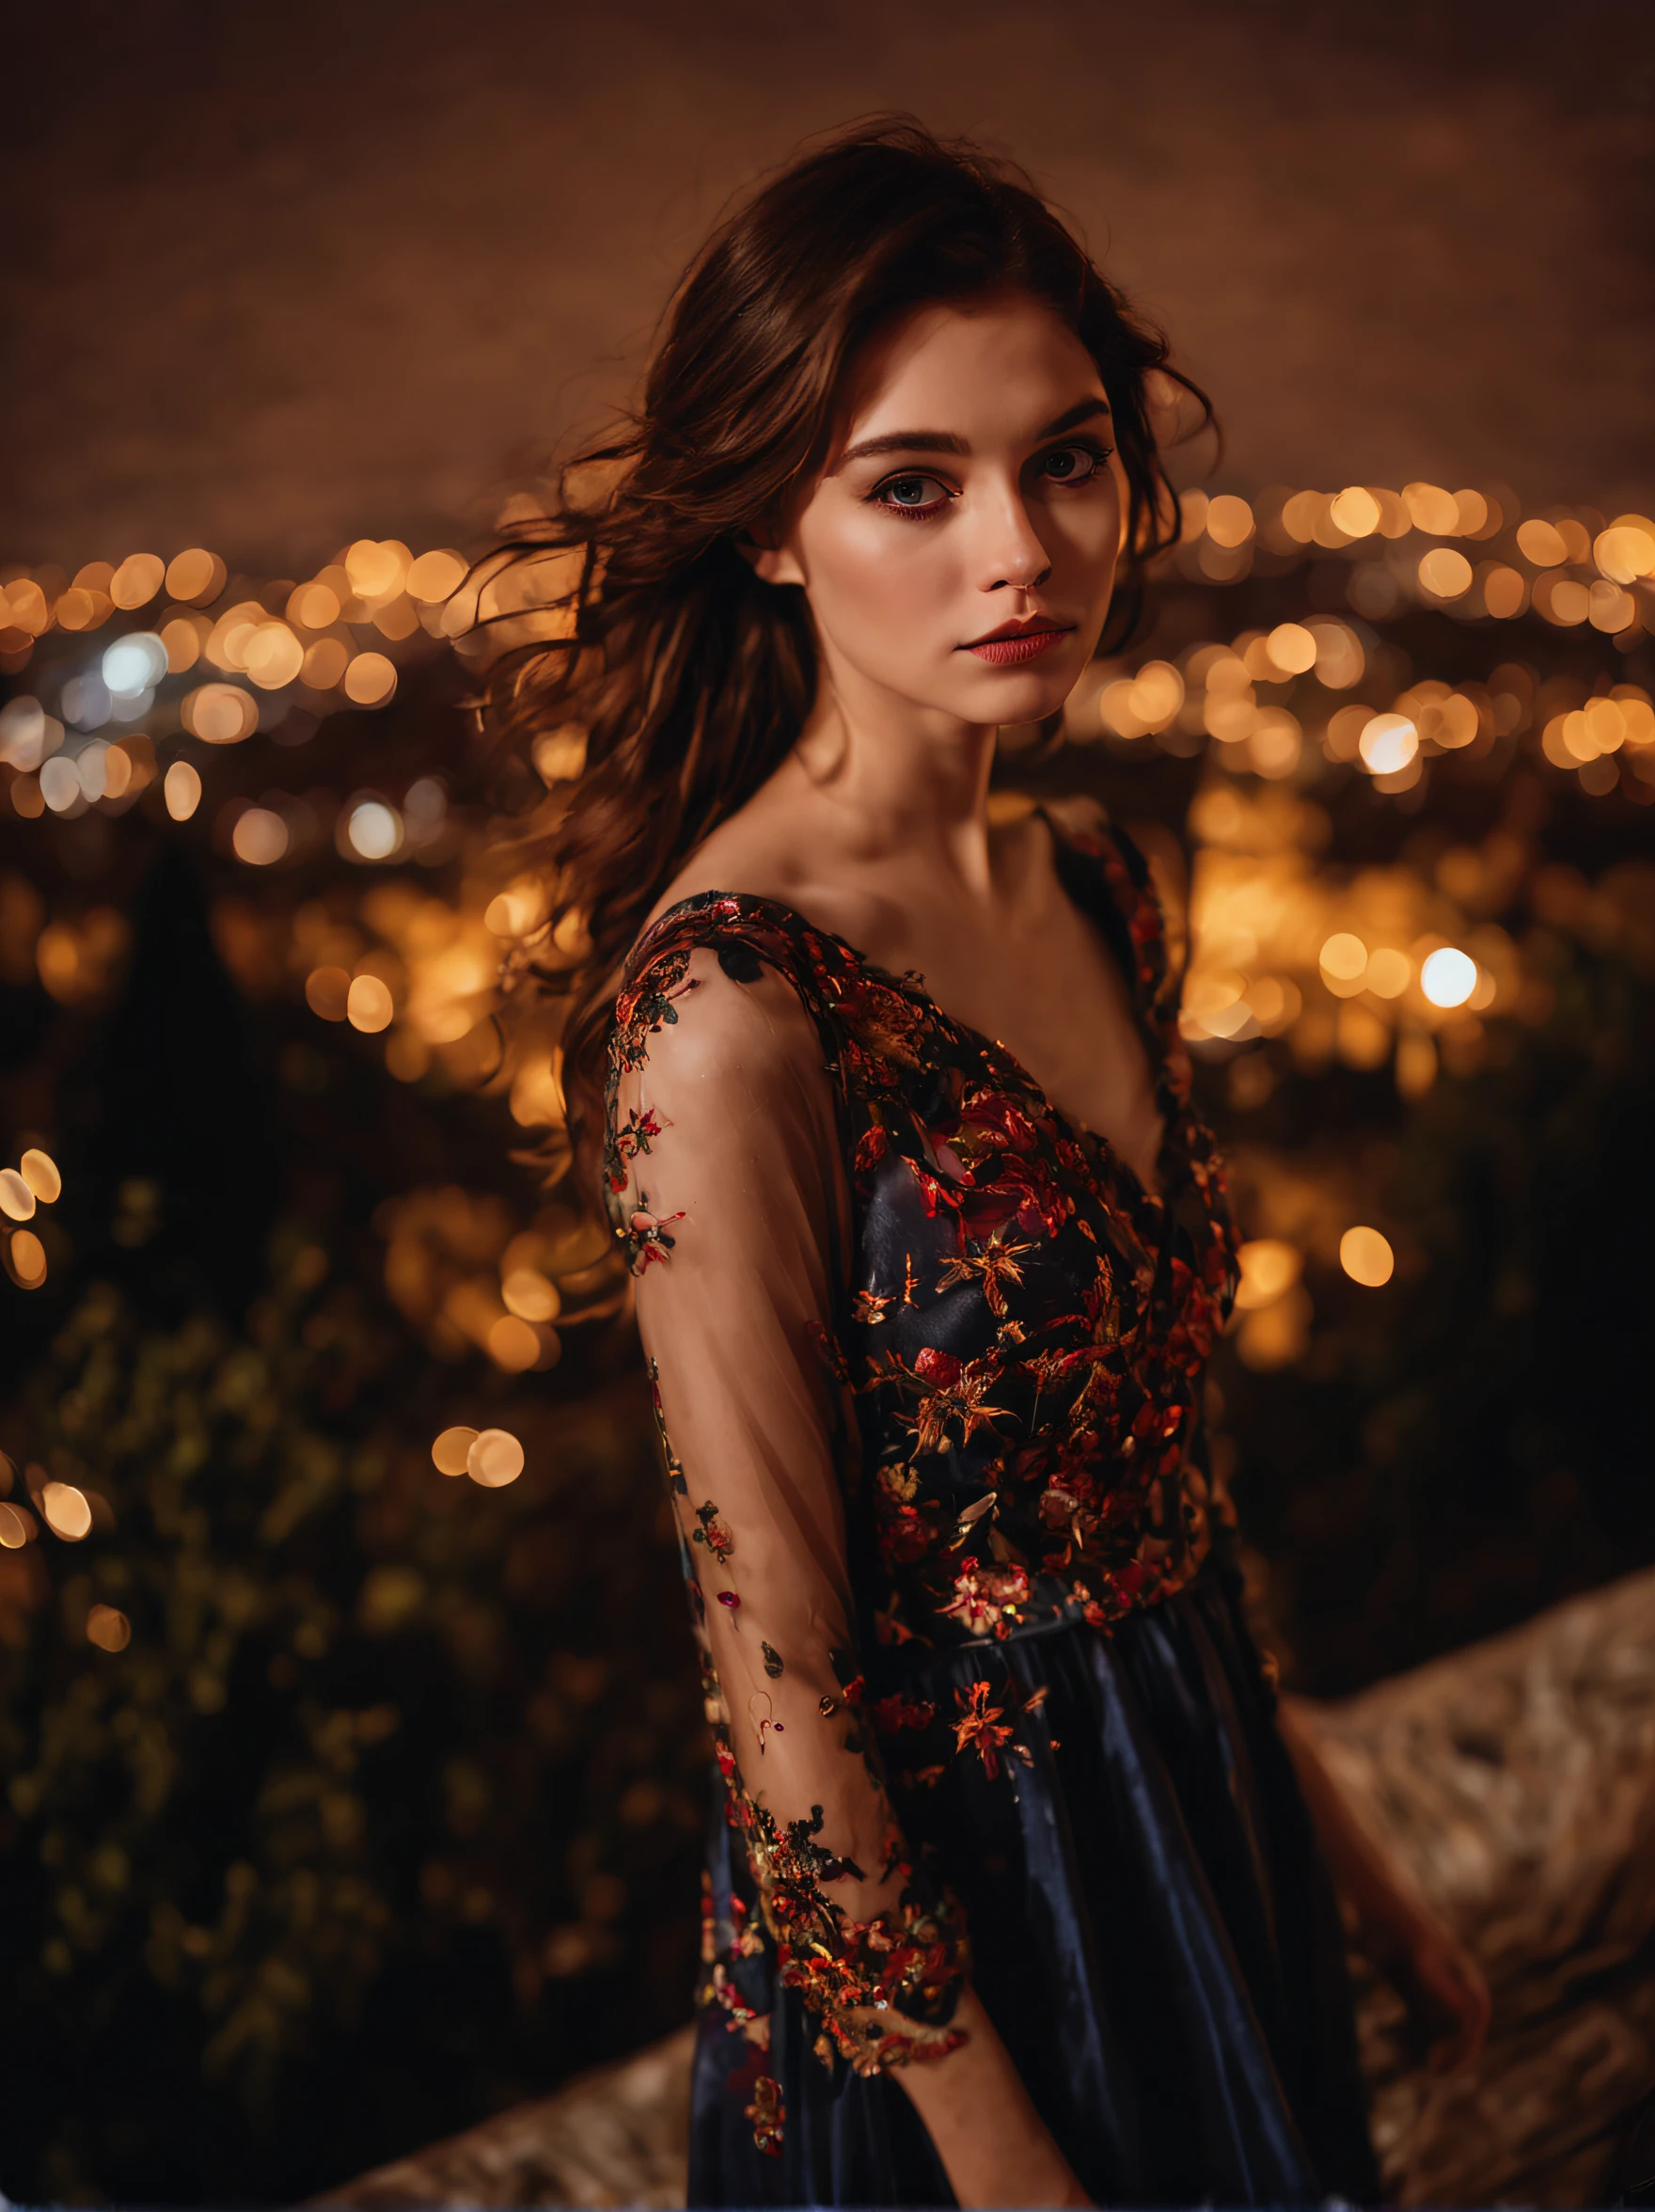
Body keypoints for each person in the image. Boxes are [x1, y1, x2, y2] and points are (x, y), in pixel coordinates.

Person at [485, 118, 1490, 2209]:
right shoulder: (727, 1011)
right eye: (912, 487)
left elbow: (1156, 1488)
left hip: (1204, 1830)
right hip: (957, 1974)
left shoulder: (1103, 881)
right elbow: (782, 1708)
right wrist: (1009, 2172)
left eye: (1067, 457)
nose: (1017, 550)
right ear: (772, 523)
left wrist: (1353, 1874)